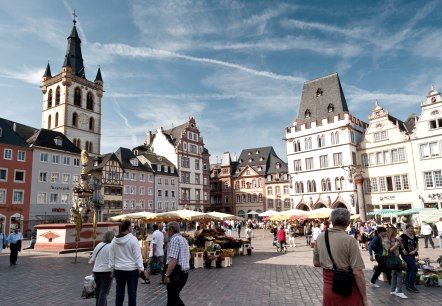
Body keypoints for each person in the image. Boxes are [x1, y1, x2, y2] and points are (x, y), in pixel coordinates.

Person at [313, 208, 369, 306]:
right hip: (347, 288)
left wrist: (329, 263)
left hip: (329, 288)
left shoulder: (321, 237)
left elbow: (316, 263)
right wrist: (364, 298)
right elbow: (357, 273)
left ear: (332, 221)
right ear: (347, 222)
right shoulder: (349, 240)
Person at [109, 220, 146, 306]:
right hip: (131, 270)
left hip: (119, 270)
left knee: (119, 293)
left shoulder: (114, 241)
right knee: (132, 293)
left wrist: (111, 269)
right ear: (128, 228)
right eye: (131, 227)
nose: (132, 228)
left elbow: (111, 257)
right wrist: (142, 269)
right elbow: (138, 256)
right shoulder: (133, 239)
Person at [164, 221, 190, 306]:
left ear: (171, 230)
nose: (166, 232)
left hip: (176, 273)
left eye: (167, 229)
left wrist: (167, 274)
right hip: (184, 273)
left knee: (172, 298)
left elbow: (173, 260)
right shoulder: (183, 239)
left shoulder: (174, 240)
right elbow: (189, 256)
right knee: (174, 297)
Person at [91, 230, 115, 306]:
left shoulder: (98, 245)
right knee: (104, 292)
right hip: (106, 272)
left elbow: (93, 259)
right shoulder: (111, 246)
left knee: (98, 291)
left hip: (96, 271)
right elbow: (113, 260)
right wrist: (113, 271)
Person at [386, 227, 407, 299]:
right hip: (393, 259)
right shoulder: (387, 240)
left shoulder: (396, 239)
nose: (396, 233)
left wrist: (400, 243)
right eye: (395, 231)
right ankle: (399, 291)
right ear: (392, 232)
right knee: (400, 275)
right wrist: (395, 245)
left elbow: (402, 248)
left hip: (397, 258)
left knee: (394, 274)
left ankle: (392, 290)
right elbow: (389, 250)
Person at [398, 224, 419, 293]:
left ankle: (408, 285)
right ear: (406, 229)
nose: (411, 230)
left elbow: (417, 247)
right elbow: (397, 239)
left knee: (410, 269)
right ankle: (411, 286)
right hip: (406, 255)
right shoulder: (403, 236)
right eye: (409, 228)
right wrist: (403, 248)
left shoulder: (415, 237)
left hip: (412, 255)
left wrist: (414, 251)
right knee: (415, 268)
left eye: (412, 228)